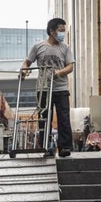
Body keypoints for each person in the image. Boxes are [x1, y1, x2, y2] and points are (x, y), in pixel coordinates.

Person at [21, 18, 75, 157]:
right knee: (44, 118)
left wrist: (59, 73)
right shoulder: (38, 47)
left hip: (61, 88)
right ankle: (46, 146)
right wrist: (24, 70)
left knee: (63, 118)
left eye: (64, 30)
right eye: (61, 30)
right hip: (44, 89)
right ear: (52, 31)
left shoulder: (65, 48)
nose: (63, 33)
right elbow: (27, 62)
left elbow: (70, 67)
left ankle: (65, 147)